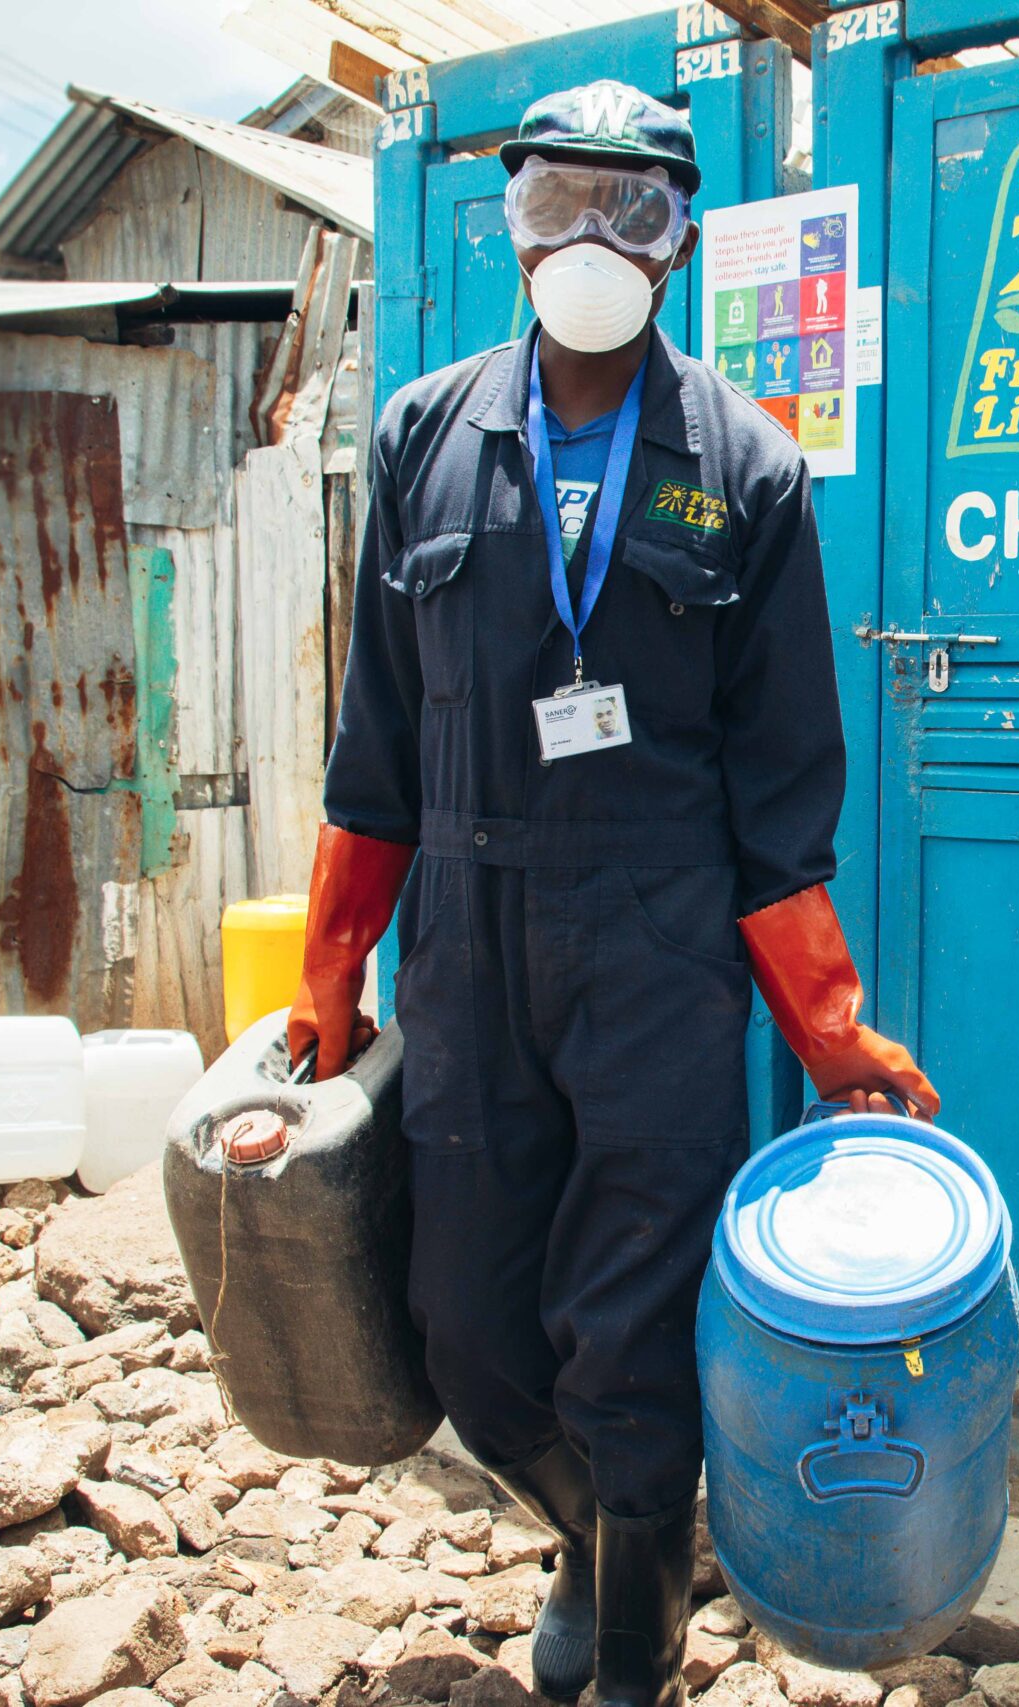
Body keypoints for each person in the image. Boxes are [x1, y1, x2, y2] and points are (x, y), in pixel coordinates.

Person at [285, 82, 938, 1707]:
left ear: (685, 240)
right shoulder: (423, 437)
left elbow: (782, 801)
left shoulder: (752, 469)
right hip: (469, 935)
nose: (589, 240)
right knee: (471, 1335)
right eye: (558, 202)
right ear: (509, 225)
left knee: (632, 1329)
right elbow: (371, 753)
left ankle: (639, 1643)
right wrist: (328, 972)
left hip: (656, 944)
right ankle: (590, 1537)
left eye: (629, 209)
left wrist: (833, 1033)